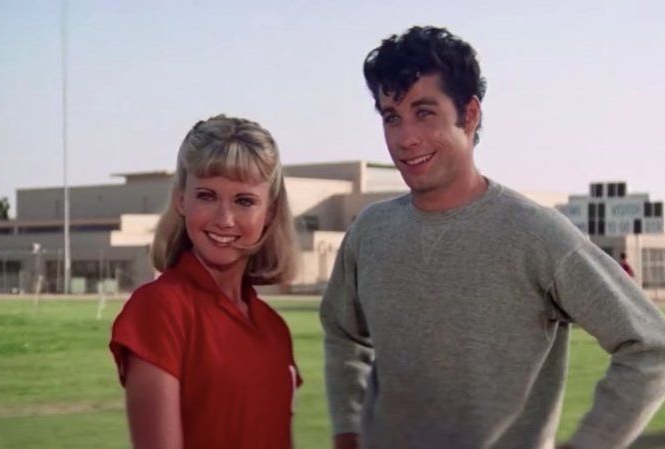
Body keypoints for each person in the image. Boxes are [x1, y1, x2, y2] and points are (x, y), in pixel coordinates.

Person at [320, 26, 665, 449]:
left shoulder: (536, 233)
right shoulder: (370, 230)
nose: (405, 138)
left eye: (424, 112)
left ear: (469, 114)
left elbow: (650, 347)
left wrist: (589, 443)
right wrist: (348, 428)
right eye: (392, 117)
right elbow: (342, 331)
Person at [110, 115, 301, 449]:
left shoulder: (274, 329)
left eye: (244, 201)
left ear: (270, 211)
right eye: (207, 196)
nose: (224, 220)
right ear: (181, 200)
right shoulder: (159, 310)